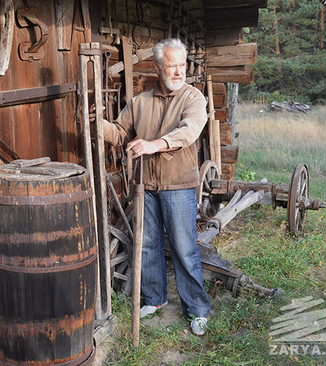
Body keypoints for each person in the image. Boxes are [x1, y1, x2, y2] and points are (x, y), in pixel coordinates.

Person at [91, 38, 211, 336]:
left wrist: (154, 144)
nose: (179, 71)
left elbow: (189, 131)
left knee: (184, 247)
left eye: (182, 66)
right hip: (145, 184)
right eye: (173, 66)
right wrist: (97, 124)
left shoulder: (193, 99)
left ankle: (197, 310)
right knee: (147, 244)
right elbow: (119, 133)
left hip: (178, 185)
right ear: (158, 68)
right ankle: (155, 299)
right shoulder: (140, 102)